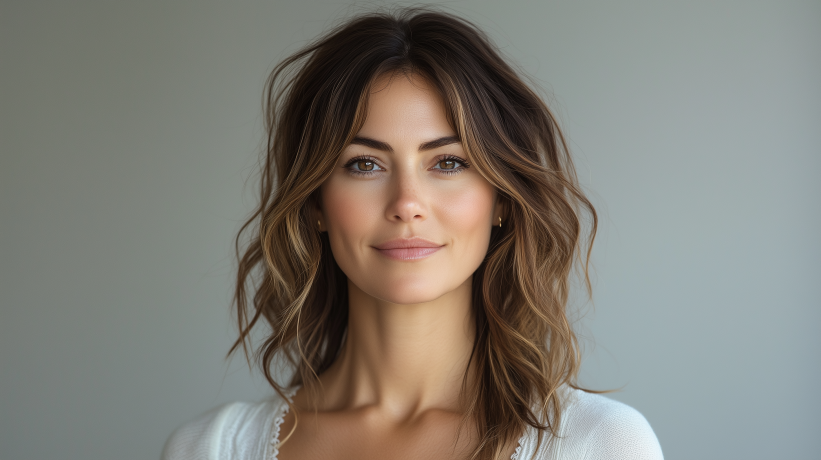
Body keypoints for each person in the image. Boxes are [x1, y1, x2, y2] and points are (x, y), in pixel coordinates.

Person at [162, 7, 663, 460]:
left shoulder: (601, 445)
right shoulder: (206, 449)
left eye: (447, 162)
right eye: (364, 164)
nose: (406, 204)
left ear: (502, 199)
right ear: (314, 203)